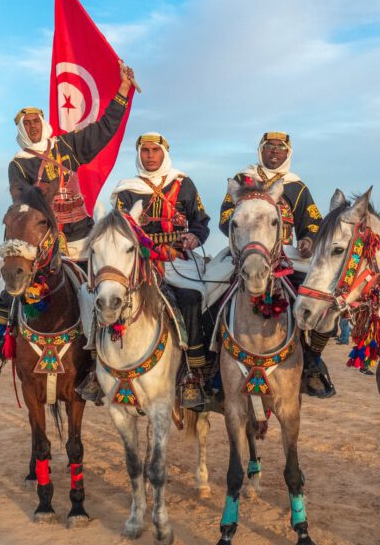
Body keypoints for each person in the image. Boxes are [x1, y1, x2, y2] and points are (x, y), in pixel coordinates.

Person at [0, 63, 136, 381]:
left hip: (81, 232)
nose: (34, 127)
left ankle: (101, 355)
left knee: (98, 289)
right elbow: (20, 197)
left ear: (44, 123)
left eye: (37, 121)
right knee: (3, 288)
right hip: (42, 239)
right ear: (22, 129)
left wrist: (122, 92)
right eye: (28, 123)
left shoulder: (66, 146)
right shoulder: (19, 163)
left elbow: (103, 130)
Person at [218, 131, 336, 398]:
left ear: (287, 154)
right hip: (245, 254)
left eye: (279, 148)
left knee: (322, 300)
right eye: (269, 147)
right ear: (260, 151)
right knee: (209, 294)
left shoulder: (296, 186)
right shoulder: (243, 180)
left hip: (286, 254)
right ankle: (207, 363)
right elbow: (226, 217)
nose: (274, 152)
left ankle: (313, 360)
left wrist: (307, 238)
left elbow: (313, 222)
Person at [112, 132, 212, 405]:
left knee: (193, 298)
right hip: (139, 262)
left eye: (155, 150)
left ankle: (194, 371)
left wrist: (194, 237)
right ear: (139, 154)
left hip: (178, 261)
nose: (150, 156)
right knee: (107, 298)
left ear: (164, 153)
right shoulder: (126, 189)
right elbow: (120, 230)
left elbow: (200, 221)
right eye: (145, 151)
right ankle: (98, 369)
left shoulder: (183, 183)